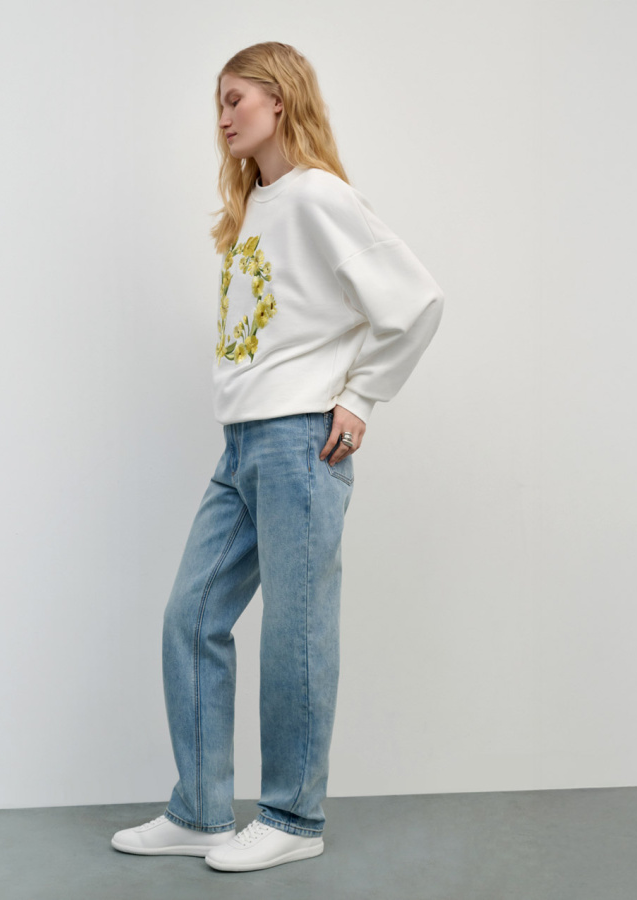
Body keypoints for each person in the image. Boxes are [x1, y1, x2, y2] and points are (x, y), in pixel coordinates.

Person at [111, 41, 444, 872]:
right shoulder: (254, 206)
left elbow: (416, 300)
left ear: (280, 101)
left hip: (300, 440)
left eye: (236, 99)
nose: (223, 116)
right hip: (241, 446)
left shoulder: (318, 196)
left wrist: (360, 398)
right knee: (191, 618)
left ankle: (293, 818)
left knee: (296, 631)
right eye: (218, 103)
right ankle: (200, 811)